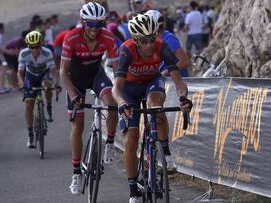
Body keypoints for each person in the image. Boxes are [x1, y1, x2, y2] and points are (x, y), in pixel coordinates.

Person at [111, 14, 193, 203]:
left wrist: (183, 97)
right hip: (129, 90)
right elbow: (117, 88)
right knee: (131, 139)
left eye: (152, 39)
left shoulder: (161, 46)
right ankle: (133, 190)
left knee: (156, 107)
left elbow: (178, 81)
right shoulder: (127, 50)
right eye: (144, 41)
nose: (149, 45)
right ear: (136, 40)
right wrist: (122, 103)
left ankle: (165, 152)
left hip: (151, 82)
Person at [60, 2, 119, 195]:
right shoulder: (72, 38)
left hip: (95, 75)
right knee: (78, 124)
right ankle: (76, 173)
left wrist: (121, 90)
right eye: (91, 24)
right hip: (75, 78)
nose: (95, 29)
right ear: (83, 23)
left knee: (112, 104)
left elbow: (118, 70)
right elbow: (63, 72)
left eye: (99, 25)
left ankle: (109, 143)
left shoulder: (108, 37)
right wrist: (73, 95)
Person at [18, 31, 60, 148]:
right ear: (28, 46)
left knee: (47, 85)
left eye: (37, 46)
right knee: (29, 103)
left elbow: (53, 71)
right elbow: (20, 72)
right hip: (30, 76)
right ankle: (30, 134)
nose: (35, 49)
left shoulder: (47, 53)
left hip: (44, 74)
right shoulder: (24, 53)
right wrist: (22, 84)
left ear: (41, 44)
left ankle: (49, 107)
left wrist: (56, 84)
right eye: (32, 47)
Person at [146, 9, 191, 77]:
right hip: (166, 82)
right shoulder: (151, 40)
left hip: (178, 81)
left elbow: (185, 62)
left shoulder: (169, 39)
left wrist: (165, 72)